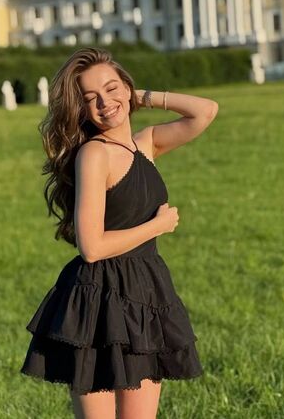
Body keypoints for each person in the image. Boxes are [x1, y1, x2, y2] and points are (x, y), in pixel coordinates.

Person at [20, 47, 219, 418]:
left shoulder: (146, 144)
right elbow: (91, 247)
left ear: (127, 87)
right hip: (98, 299)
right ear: (81, 110)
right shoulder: (94, 155)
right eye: (90, 98)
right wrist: (156, 227)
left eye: (111, 89)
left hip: (145, 291)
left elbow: (205, 111)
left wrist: (138, 96)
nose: (104, 103)